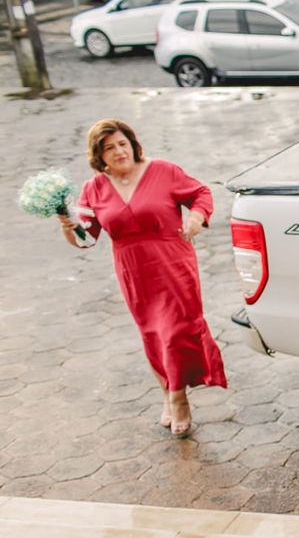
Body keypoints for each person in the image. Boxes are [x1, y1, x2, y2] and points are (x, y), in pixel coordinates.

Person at [59, 119, 226, 436]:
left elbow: (201, 193)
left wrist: (196, 216)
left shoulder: (163, 170)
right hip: (133, 270)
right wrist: (68, 228)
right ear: (99, 155)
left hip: (173, 263)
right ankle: (167, 392)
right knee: (153, 334)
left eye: (123, 144)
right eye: (109, 148)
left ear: (133, 145)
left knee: (177, 331)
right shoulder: (94, 188)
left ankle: (178, 398)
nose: (119, 151)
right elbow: (86, 238)